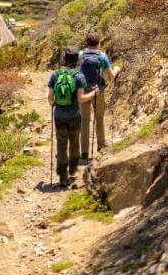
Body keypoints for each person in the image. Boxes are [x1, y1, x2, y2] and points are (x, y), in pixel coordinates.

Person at [48, 47, 97, 187]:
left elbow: (50, 100)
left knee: (61, 145)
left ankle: (62, 176)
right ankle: (73, 171)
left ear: (64, 59)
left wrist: (57, 103)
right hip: (74, 115)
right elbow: (81, 99)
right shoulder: (79, 76)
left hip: (59, 116)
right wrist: (93, 94)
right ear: (77, 61)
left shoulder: (55, 75)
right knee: (74, 142)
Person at [79, 33, 120, 161]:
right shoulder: (102, 56)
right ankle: (101, 145)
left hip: (83, 91)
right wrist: (117, 69)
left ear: (86, 42)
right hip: (98, 91)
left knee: (84, 121)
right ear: (99, 43)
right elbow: (111, 76)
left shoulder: (80, 55)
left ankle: (84, 153)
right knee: (99, 118)